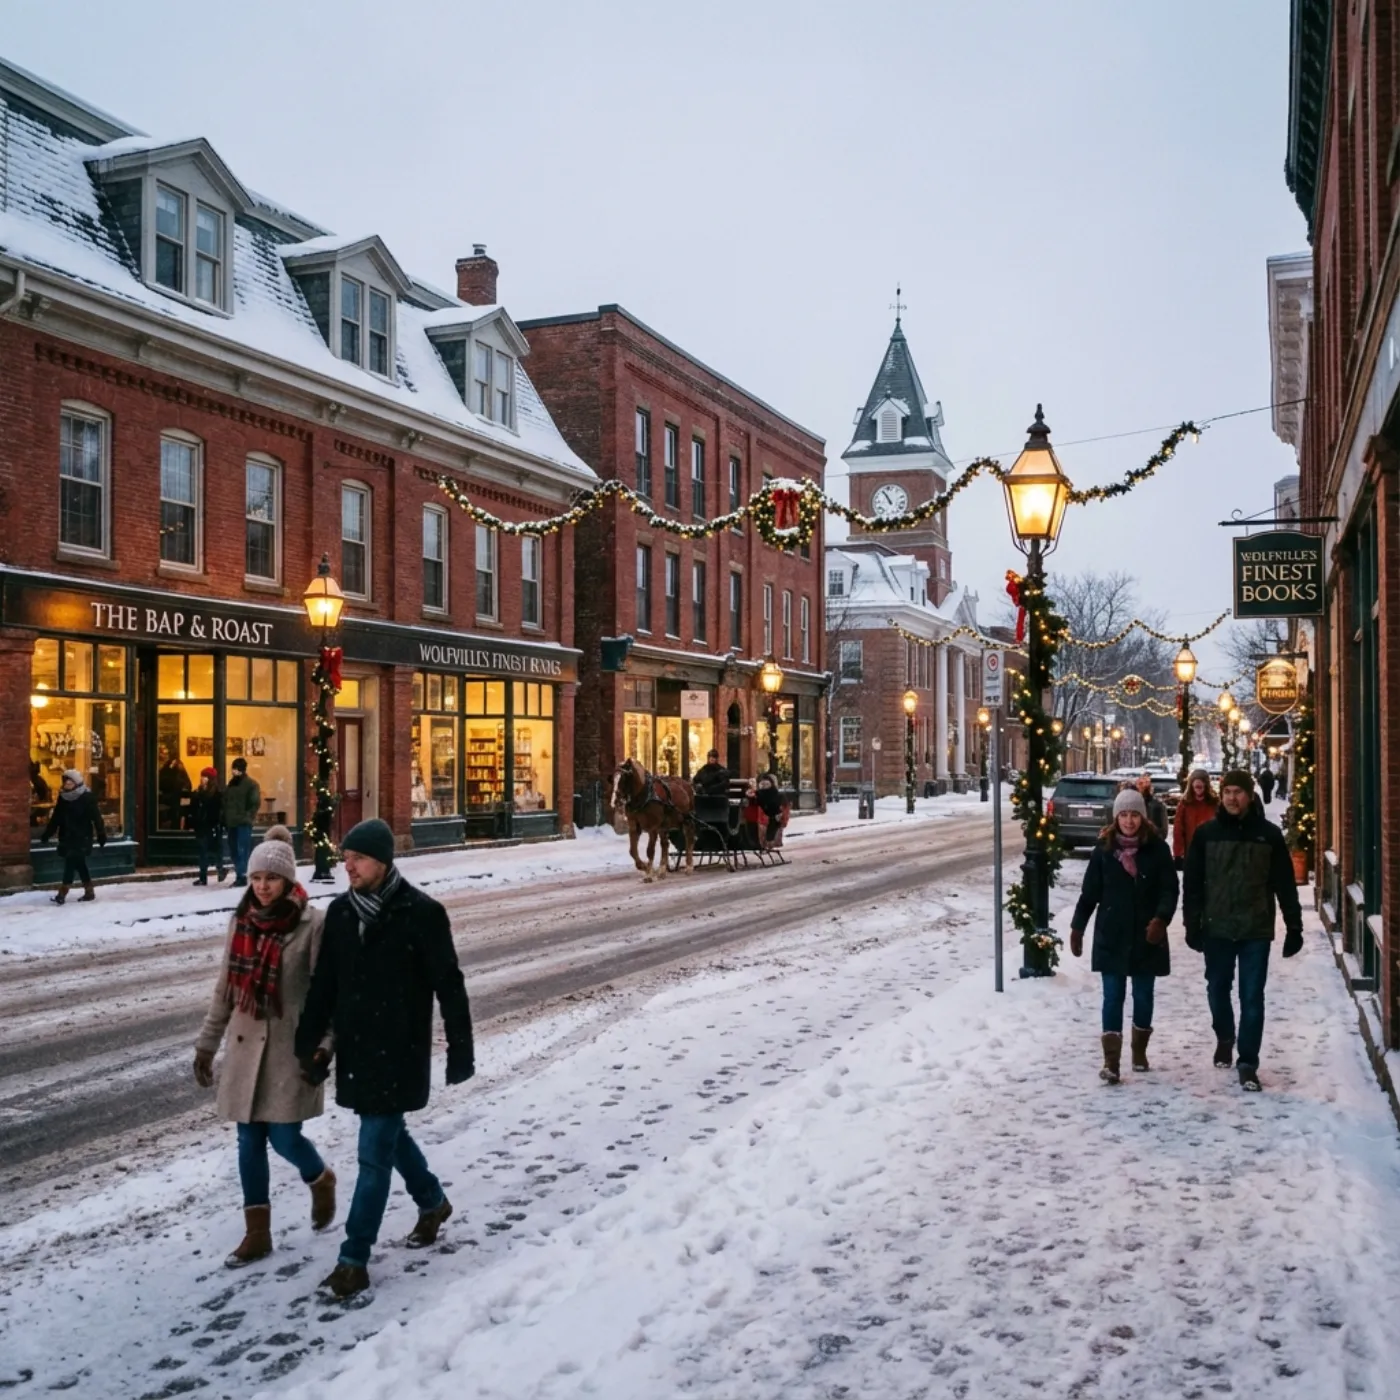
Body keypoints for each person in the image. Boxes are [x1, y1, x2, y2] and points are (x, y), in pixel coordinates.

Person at [295, 819, 474, 1300]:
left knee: (373, 1151)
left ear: (383, 861)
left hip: (400, 1050)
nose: (347, 865)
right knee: (387, 1137)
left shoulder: (422, 913)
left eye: (357, 857)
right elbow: (324, 985)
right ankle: (433, 1202)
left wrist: (461, 1050)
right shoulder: (339, 914)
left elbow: (449, 985)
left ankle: (353, 1259)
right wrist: (308, 1043)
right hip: (356, 1049)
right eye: (345, 857)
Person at [193, 826, 335, 1267]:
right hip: (244, 1044)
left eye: (271, 878)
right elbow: (225, 991)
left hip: (291, 1046)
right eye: (256, 878)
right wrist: (205, 1045)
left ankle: (320, 1177)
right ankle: (257, 1233)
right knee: (248, 1139)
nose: (262, 886)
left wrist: (326, 1045)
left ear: (289, 882)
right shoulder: (241, 921)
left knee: (285, 1136)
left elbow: (326, 992)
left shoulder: (313, 923)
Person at [1183, 769, 1304, 1091]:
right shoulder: (1206, 835)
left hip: (1255, 928)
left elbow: (1284, 883)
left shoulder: (1268, 835)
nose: (1233, 798)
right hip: (1217, 927)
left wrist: (1294, 926)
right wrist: (1191, 922)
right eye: (1227, 792)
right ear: (1221, 796)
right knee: (1216, 989)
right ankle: (1225, 1035)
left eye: (1238, 792)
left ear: (1250, 796)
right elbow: (1192, 884)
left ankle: (1248, 1062)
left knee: (1252, 997)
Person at [1069, 789, 1179, 1084]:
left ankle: (1139, 1049)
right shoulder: (1104, 851)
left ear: (1142, 817)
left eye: (1134, 815)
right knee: (1112, 996)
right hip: (1112, 935)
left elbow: (1169, 889)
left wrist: (1161, 919)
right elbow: (1089, 893)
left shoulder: (1156, 849)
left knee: (1143, 995)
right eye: (1123, 815)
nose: (1129, 821)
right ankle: (1112, 1061)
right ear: (1115, 817)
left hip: (1146, 936)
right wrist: (1078, 927)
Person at [42, 769, 106, 904]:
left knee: (70, 863)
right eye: (65, 782)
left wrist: (101, 833)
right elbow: (56, 818)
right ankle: (89, 891)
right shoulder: (63, 798)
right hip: (67, 836)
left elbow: (96, 817)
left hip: (82, 837)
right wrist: (48, 833)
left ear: (77, 783)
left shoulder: (87, 798)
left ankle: (62, 893)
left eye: (70, 782)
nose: (67, 784)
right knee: (79, 863)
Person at [223, 757, 262, 887]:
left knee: (242, 849)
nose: (233, 771)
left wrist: (247, 817)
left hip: (243, 823)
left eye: (235, 769)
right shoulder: (231, 784)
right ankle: (240, 872)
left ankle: (242, 875)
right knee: (234, 849)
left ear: (241, 769)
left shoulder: (251, 784)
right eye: (233, 768)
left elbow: (254, 803)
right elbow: (227, 802)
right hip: (231, 822)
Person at [187, 767, 227, 886]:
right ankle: (203, 877)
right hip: (201, 826)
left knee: (215, 850)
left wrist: (218, 823)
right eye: (202, 776)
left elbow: (219, 810)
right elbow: (193, 809)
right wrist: (192, 822)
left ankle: (220, 870)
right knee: (202, 851)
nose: (202, 779)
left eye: (205, 777)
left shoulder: (217, 794)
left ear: (210, 779)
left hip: (212, 825)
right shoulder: (198, 792)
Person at [1172, 769, 1217, 871]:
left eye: (1201, 785)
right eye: (1196, 785)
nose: (1198, 789)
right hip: (1191, 853)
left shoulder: (1215, 804)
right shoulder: (1185, 804)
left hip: (1212, 853)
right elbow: (1178, 830)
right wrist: (1178, 853)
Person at [747, 772, 785, 850]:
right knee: (764, 832)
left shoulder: (775, 793)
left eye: (766, 784)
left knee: (770, 831)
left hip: (772, 816)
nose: (764, 786)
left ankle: (768, 843)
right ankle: (766, 844)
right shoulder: (759, 793)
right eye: (762, 784)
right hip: (764, 817)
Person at [158, 748, 192, 830]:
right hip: (172, 796)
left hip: (176, 796)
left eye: (166, 754)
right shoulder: (167, 767)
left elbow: (186, 783)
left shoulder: (176, 766)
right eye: (163, 753)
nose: (165, 755)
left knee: (179, 813)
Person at [1132, 772, 1169, 839]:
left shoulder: (1157, 805)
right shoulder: (1131, 804)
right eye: (1139, 784)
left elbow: (1163, 832)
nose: (1141, 787)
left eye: (1143, 784)